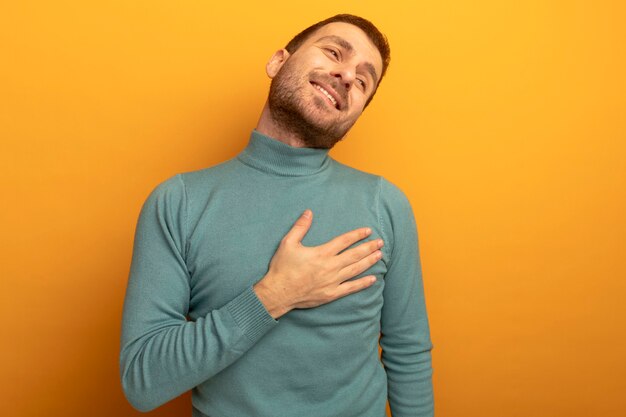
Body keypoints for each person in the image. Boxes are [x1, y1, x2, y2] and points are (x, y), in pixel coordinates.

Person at [120, 13, 434, 417]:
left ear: (355, 114)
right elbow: (142, 382)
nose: (345, 76)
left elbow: (408, 353)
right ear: (278, 61)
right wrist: (274, 296)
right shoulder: (178, 203)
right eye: (334, 52)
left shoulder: (386, 204)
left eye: (362, 81)